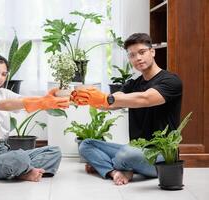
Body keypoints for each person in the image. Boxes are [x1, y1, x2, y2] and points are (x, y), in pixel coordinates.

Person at [72, 33, 182, 185]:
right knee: (86, 145)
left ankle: (117, 165)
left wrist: (109, 98)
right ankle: (115, 171)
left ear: (152, 52)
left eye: (142, 52)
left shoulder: (171, 80)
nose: (137, 58)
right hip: (136, 150)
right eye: (132, 55)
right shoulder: (132, 84)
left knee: (126, 154)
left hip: (162, 156)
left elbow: (145, 99)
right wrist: (85, 97)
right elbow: (107, 104)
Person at [0, 53, 69, 182]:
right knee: (19, 158)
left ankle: (21, 169)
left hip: (6, 150)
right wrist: (44, 102)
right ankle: (23, 171)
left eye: (4, 74)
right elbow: (6, 105)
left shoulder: (2, 93)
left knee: (54, 152)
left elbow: (24, 100)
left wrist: (48, 98)